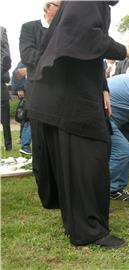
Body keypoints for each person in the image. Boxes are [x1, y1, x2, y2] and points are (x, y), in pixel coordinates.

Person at [27, 1, 129, 249]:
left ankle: (76, 223)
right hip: (70, 99)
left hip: (59, 96)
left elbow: (80, 52)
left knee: (72, 163)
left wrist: (102, 87)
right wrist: (124, 50)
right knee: (88, 162)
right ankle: (90, 231)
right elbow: (86, 37)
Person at [19, 0, 61, 189]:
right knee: (41, 144)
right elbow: (28, 55)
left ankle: (63, 184)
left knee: (60, 143)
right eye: (60, 5)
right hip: (39, 95)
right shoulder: (29, 28)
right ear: (48, 7)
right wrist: (57, 63)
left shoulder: (65, 30)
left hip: (62, 95)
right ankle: (46, 187)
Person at [11, 63, 32, 155]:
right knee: (29, 118)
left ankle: (23, 141)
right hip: (28, 93)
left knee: (26, 119)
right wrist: (19, 88)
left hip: (30, 92)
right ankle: (25, 145)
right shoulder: (25, 61)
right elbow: (16, 73)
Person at [1, 26, 12, 151]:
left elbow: (6, 58)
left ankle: (8, 145)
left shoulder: (1, 31)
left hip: (1, 86)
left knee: (5, 120)